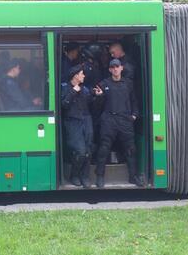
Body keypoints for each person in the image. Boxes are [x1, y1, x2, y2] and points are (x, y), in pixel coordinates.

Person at [95, 59, 144, 188]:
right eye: (112, 67)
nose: (115, 69)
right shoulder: (103, 84)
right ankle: (100, 177)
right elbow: (96, 107)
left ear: (121, 68)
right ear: (110, 70)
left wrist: (134, 115)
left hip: (125, 120)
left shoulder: (128, 84)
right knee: (103, 150)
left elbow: (134, 101)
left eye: (117, 67)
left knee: (130, 149)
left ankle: (133, 177)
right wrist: (99, 96)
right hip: (109, 120)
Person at [61, 64, 102, 188]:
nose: (84, 76)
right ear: (75, 76)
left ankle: (85, 177)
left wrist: (97, 96)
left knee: (88, 150)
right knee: (80, 151)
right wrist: (73, 92)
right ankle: (74, 175)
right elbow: (63, 105)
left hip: (87, 121)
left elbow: (93, 107)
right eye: (81, 74)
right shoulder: (65, 88)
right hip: (73, 122)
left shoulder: (85, 90)